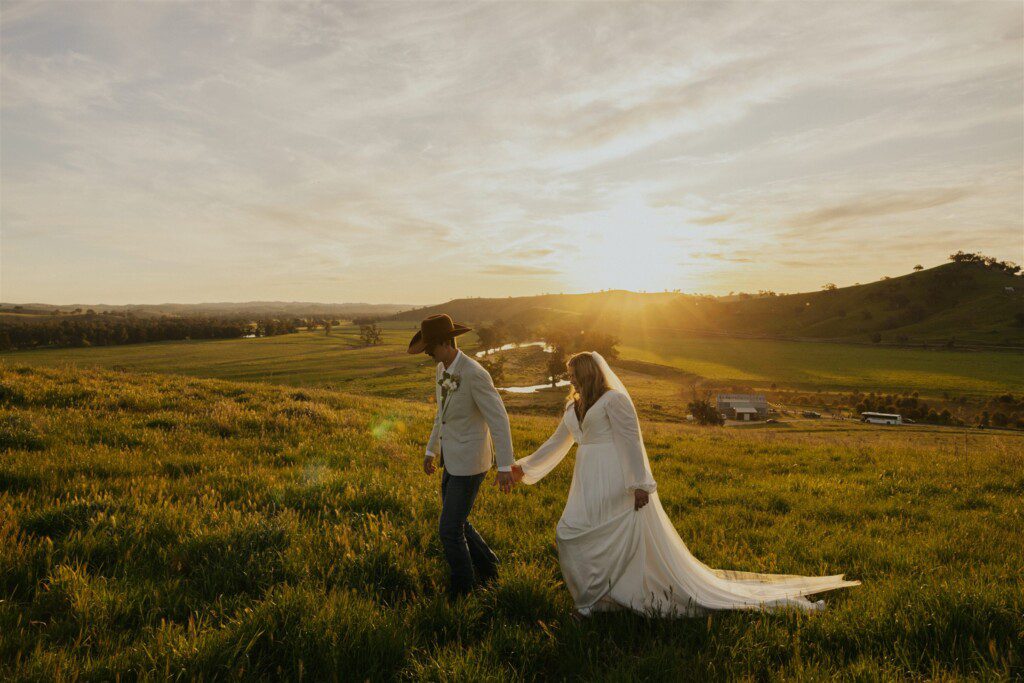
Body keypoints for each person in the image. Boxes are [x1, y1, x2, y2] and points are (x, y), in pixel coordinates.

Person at [511, 351, 860, 619]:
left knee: (612, 537)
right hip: (586, 481)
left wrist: (640, 485)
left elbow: (632, 442)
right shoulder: (573, 406)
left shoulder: (614, 401)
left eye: (573, 373)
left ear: (588, 373)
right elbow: (557, 442)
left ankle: (596, 602)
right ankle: (598, 597)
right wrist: (521, 468)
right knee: (570, 533)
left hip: (616, 479)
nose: (568, 377)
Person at [408, 314, 516, 599]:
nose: (429, 354)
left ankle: (464, 588)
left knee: (448, 528)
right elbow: (441, 415)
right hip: (451, 459)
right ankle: (491, 567)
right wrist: (432, 450)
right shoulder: (442, 369)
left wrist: (505, 465)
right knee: (458, 521)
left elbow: (499, 419)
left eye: (431, 348)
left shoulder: (475, 373)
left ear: (446, 342)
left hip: (471, 461)